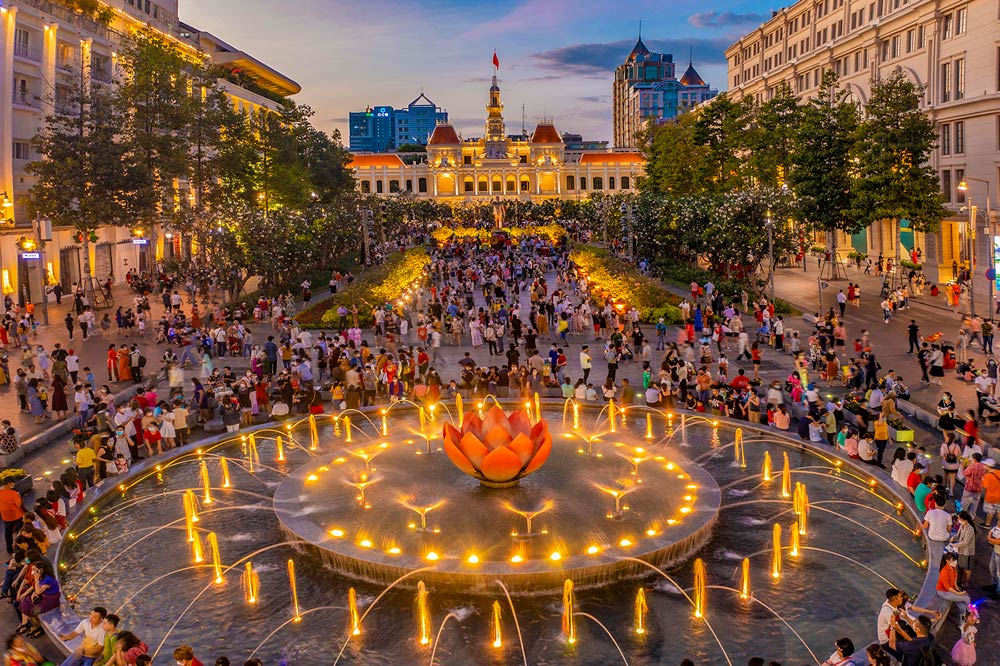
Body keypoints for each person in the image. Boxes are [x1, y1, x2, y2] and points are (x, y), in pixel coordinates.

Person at [936, 552, 970, 618]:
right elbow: (947, 587)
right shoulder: (944, 572)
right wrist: (958, 594)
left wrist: (958, 590)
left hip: (951, 590)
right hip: (944, 592)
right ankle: (970, 613)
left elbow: (954, 580)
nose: (955, 562)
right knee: (967, 598)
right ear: (947, 561)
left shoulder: (953, 568)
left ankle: (962, 621)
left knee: (962, 606)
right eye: (953, 560)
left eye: (955, 560)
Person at [0, 480, 23, 554]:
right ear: (10, 483)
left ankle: (9, 548)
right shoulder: (13, 493)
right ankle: (19, 546)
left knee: (8, 532)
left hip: (5, 516)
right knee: (19, 531)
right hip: (16, 515)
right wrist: (18, 496)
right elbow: (18, 504)